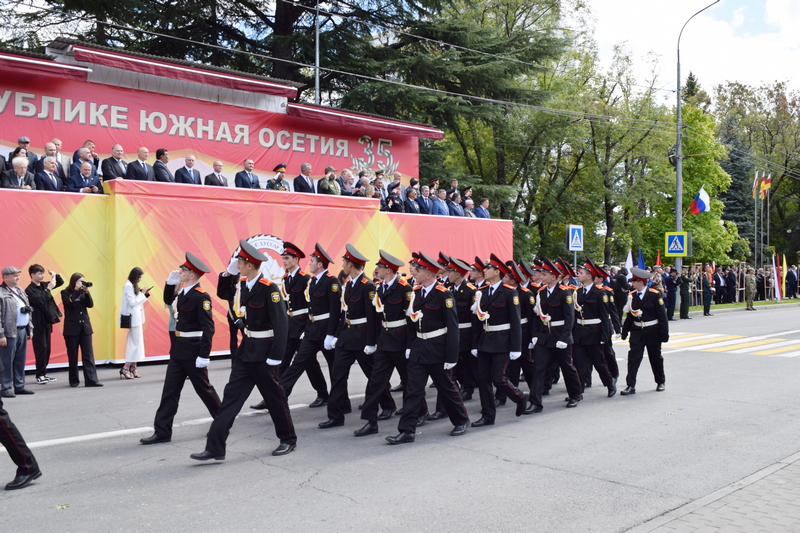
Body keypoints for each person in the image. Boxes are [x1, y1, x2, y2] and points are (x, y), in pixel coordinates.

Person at [190, 240, 296, 460]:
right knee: (230, 399)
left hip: (265, 353)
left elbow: (281, 325)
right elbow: (223, 292)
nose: (237, 265)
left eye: (240, 262)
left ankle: (288, 439)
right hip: (246, 351)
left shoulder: (270, 289)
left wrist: (277, 357)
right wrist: (227, 274)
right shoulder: (243, 286)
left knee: (275, 398)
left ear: (250, 265)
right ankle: (215, 447)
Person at [386, 252, 470, 444]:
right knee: (413, 390)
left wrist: (451, 357)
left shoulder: (443, 294)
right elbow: (412, 323)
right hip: (418, 348)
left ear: (429, 273)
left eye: (419, 270)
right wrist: (409, 346)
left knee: (447, 388)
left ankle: (461, 420)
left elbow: (453, 327)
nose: (415, 272)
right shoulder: (415, 293)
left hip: (438, 350)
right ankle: (407, 430)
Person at [140, 253, 220, 445]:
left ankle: (222, 422)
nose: (180, 272)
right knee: (170, 391)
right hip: (178, 350)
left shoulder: (201, 297)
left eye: (183, 270)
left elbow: (208, 327)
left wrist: (204, 354)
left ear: (192, 275)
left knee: (205, 390)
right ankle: (162, 431)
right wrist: (169, 283)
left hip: (193, 350)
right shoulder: (182, 293)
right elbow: (169, 299)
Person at [319, 244, 396, 428]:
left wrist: (371, 342)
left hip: (362, 339)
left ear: (351, 264)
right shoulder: (348, 285)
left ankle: (388, 405)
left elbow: (372, 317)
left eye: (344, 262)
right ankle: (335, 416)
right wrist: (336, 335)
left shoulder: (367, 286)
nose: (342, 265)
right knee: (337, 376)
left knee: (373, 375)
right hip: (346, 337)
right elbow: (343, 313)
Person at [251, 242, 329, 410]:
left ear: (296, 259)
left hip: (303, 328)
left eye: (286, 258)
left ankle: (322, 393)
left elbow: (311, 306)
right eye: (282, 258)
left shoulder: (305, 279)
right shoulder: (285, 279)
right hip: (290, 327)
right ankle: (275, 395)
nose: (284, 261)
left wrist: (307, 328)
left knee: (309, 364)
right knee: (282, 362)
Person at [355, 250, 412, 436]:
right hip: (384, 341)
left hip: (401, 341)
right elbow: (374, 318)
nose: (377, 269)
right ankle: (370, 422)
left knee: (410, 381)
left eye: (380, 266)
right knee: (376, 382)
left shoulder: (405, 288)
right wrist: (371, 342)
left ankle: (421, 411)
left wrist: (410, 345)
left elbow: (411, 320)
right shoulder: (378, 288)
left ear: (388, 269)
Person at [278, 243, 342, 410]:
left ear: (319, 264)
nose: (310, 263)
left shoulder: (326, 281)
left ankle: (339, 401)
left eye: (312, 260)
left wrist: (332, 334)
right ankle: (277, 394)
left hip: (322, 329)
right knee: (296, 363)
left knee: (334, 368)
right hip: (308, 329)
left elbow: (335, 311)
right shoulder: (308, 281)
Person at [470, 254, 529, 426]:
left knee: (498, 378)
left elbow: (515, 321)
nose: (484, 271)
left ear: (497, 272)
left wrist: (516, 347)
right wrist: (474, 344)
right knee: (483, 380)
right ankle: (488, 415)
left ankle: (519, 396)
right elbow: (476, 321)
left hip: (502, 341)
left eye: (488, 268)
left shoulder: (510, 293)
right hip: (484, 341)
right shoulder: (481, 293)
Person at [530, 258, 583, 411]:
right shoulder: (541, 292)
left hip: (560, 336)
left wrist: (565, 338)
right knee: (538, 368)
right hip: (544, 336)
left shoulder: (564, 293)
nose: (541, 277)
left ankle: (575, 394)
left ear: (553, 276)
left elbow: (569, 318)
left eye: (544, 275)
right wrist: (535, 334)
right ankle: (535, 402)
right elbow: (537, 316)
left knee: (567, 367)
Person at [620, 267, 668, 395]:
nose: (632, 283)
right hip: (637, 331)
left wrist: (664, 335)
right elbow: (630, 316)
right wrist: (624, 332)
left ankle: (660, 381)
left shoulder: (654, 294)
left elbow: (662, 316)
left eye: (634, 281)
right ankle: (631, 385)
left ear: (640, 282)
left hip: (652, 331)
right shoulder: (631, 296)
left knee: (655, 358)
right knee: (633, 358)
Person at [572, 261, 616, 398]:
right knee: (578, 363)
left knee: (599, 363)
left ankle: (609, 384)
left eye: (581, 273)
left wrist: (605, 336)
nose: (578, 275)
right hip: (579, 333)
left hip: (594, 333)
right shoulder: (577, 292)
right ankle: (578, 391)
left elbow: (604, 316)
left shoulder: (600, 293)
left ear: (589, 276)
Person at [61, 273, 102, 387]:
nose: (81, 283)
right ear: (74, 282)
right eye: (79, 281)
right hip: (71, 328)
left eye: (83, 281)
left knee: (88, 354)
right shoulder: (65, 292)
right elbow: (70, 303)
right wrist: (76, 290)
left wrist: (87, 292)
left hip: (85, 327)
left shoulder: (84, 292)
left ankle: (92, 380)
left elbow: (90, 305)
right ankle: (74, 380)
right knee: (73, 355)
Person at [25, 265, 63, 385]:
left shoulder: (43, 285)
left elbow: (60, 282)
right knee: (41, 349)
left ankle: (44, 373)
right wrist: (48, 289)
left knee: (47, 349)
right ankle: (39, 375)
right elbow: (40, 300)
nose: (42, 276)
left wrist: (54, 275)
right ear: (32, 275)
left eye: (42, 273)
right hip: (37, 323)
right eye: (39, 274)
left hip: (47, 321)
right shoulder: (29, 290)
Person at [1, 267, 35, 397]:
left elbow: (28, 311)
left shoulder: (20, 291)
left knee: (20, 360)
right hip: (9, 332)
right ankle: (6, 388)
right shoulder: (1, 292)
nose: (18, 278)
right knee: (7, 361)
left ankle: (20, 386)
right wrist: (1, 334)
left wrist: (29, 328)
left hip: (22, 330)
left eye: (18, 275)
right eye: (14, 275)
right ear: (5, 277)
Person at [120, 267, 151, 379]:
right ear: (135, 276)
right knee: (135, 344)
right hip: (133, 318)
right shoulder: (128, 286)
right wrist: (142, 294)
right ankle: (125, 368)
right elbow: (132, 302)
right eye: (139, 277)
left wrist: (144, 294)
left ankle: (133, 367)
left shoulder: (132, 285)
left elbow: (136, 300)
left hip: (136, 318)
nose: (140, 279)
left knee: (136, 343)